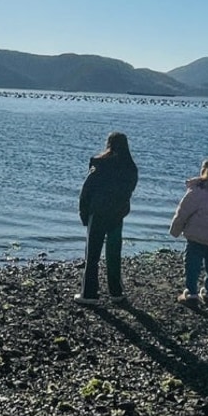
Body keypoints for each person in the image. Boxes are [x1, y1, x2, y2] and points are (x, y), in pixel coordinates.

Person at [76, 131, 138, 306]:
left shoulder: (100, 164)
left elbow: (86, 191)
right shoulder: (131, 168)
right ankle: (116, 293)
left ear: (108, 144)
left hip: (98, 213)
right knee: (113, 254)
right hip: (117, 214)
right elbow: (128, 193)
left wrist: (83, 213)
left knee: (92, 255)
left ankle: (89, 294)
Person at [169, 158, 208, 304]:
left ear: (204, 171)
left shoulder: (198, 190)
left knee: (192, 265)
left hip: (196, 237)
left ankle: (191, 293)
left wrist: (175, 230)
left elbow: (183, 211)